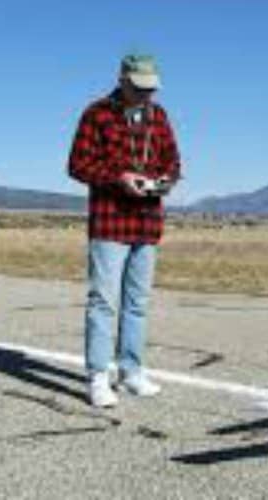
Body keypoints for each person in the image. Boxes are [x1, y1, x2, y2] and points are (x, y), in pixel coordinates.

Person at [68, 54, 181, 407]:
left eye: (152, 88)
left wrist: (166, 179)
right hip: (111, 222)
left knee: (137, 303)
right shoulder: (97, 114)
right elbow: (77, 164)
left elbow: (173, 160)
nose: (148, 95)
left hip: (147, 222)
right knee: (103, 302)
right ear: (122, 79)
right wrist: (119, 178)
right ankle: (98, 377)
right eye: (140, 88)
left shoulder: (158, 116)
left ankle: (131, 372)